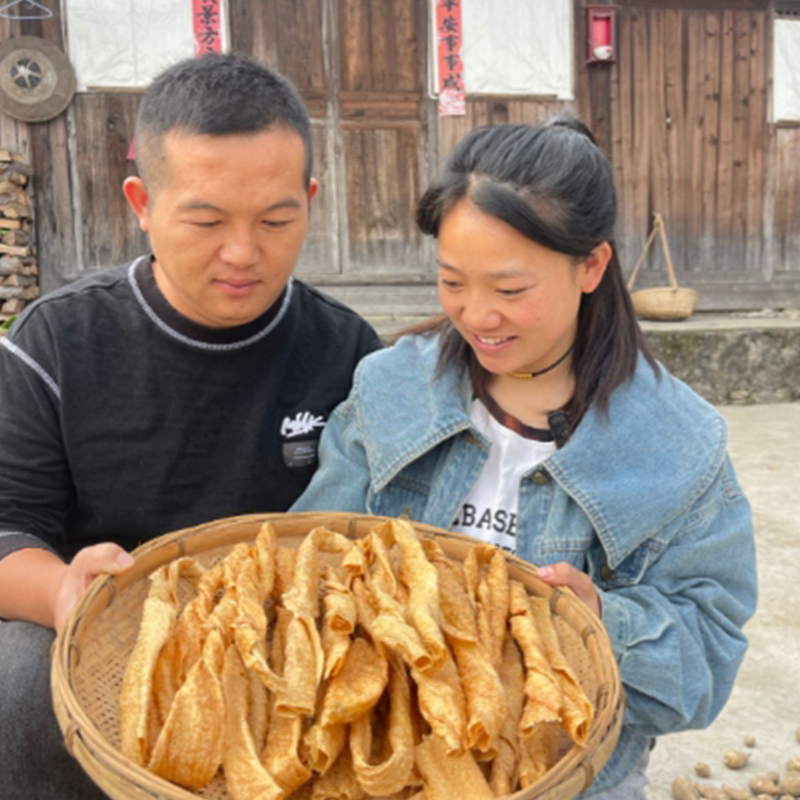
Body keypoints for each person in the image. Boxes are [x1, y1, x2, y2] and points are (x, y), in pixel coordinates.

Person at [292, 118, 757, 798]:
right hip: (385, 767)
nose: (477, 315)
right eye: (453, 282)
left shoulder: (678, 444)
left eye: (510, 291)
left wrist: (598, 622)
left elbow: (704, 672)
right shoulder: (391, 390)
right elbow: (308, 562)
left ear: (591, 266)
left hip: (573, 780)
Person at [0, 54, 380, 799]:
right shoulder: (54, 344)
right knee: (15, 684)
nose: (243, 253)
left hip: (291, 645)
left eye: (276, 219)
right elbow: (8, 526)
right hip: (113, 638)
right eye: (205, 220)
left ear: (310, 198)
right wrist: (65, 593)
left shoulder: (351, 353)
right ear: (141, 202)